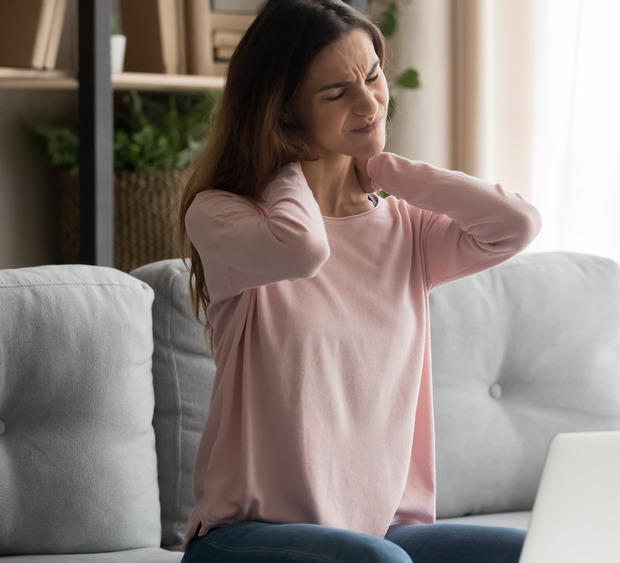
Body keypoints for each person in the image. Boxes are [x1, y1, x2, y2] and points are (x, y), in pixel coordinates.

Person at [176, 0, 541, 561]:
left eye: (372, 76)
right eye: (337, 92)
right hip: (246, 536)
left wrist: (386, 168)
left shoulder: (407, 231)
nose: (369, 101)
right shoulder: (223, 216)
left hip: (380, 532)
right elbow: (302, 248)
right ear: (283, 111)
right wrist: (291, 166)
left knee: (544, 548)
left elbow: (515, 225)